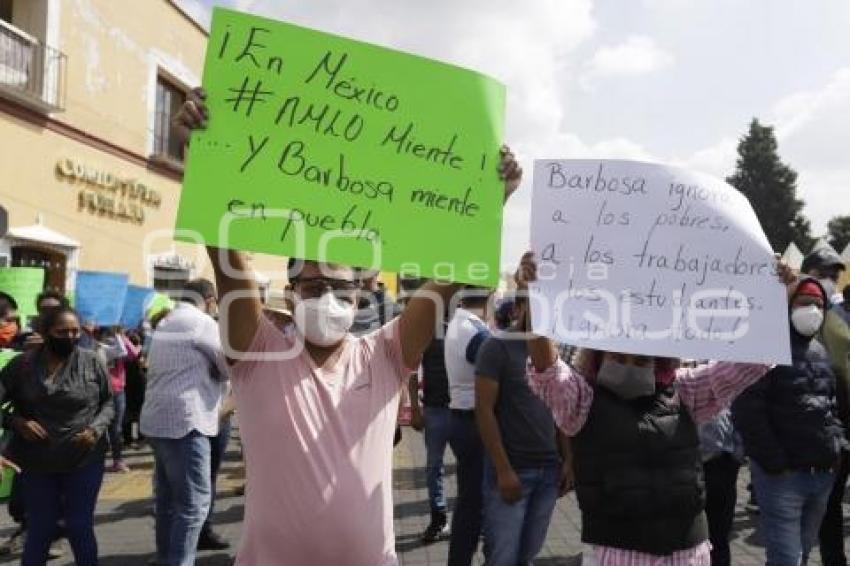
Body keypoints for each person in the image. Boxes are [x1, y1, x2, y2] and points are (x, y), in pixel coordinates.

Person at [173, 86, 521, 564]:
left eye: (340, 289)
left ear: (361, 295)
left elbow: (451, 277)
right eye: (312, 287)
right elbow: (225, 256)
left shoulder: (385, 354)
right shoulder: (257, 351)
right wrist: (203, 158)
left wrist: (490, 201)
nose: (327, 298)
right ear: (291, 292)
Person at [515, 252, 794, 565]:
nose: (630, 367)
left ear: (660, 362)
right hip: (618, 554)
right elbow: (548, 371)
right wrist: (533, 294)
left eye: (642, 360)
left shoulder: (686, 392)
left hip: (688, 554)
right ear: (598, 357)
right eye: (618, 358)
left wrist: (775, 294)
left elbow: (748, 362)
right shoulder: (582, 401)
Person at [733, 278, 845, 566]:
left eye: (819, 305)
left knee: (803, 554)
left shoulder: (821, 353)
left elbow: (830, 407)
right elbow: (748, 412)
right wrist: (775, 464)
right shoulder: (765, 350)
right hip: (783, 478)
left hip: (821, 474)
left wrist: (837, 448)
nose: (813, 311)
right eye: (805, 303)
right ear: (786, 307)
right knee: (787, 559)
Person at [0, 306, 114, 566]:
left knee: (79, 525)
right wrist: (15, 422)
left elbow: (108, 403)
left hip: (83, 459)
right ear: (45, 332)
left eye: (75, 331)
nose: (71, 337)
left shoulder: (91, 360)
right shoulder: (22, 365)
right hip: (36, 462)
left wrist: (95, 429)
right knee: (41, 528)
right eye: (62, 332)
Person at [475, 292, 571, 565]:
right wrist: (503, 470)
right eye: (534, 302)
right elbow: (483, 411)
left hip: (549, 473)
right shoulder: (496, 347)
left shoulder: (557, 351)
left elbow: (563, 409)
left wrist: (569, 460)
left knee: (528, 553)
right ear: (519, 307)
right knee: (502, 557)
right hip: (512, 473)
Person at [140, 278, 228, 566]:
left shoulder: (166, 321)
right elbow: (230, 365)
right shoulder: (202, 323)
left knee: (167, 500)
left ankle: (166, 557)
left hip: (158, 419)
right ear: (210, 298)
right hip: (186, 421)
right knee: (194, 504)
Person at [443, 289, 492, 565]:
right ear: (492, 294)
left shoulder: (465, 324)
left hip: (465, 420)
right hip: (472, 423)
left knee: (472, 503)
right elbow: (502, 366)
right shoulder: (473, 331)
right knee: (472, 505)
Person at [408, 331, 452, 543]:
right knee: (434, 467)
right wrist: (415, 409)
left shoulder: (465, 328)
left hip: (464, 411)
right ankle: (439, 518)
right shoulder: (426, 333)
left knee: (471, 467)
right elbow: (412, 372)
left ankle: (473, 518)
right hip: (434, 409)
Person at [698, 408, 744, 566]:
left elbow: (739, 419)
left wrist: (736, 458)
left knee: (720, 536)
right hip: (687, 468)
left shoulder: (723, 390)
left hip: (721, 467)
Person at [198, 382, 235, 551]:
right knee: (188, 485)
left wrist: (229, 405)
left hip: (221, 413)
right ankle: (172, 547)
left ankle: (204, 531)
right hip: (191, 417)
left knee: (210, 476)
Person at [95, 327, 138, 473]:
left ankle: (117, 460)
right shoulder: (99, 347)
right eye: (107, 334)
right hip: (101, 392)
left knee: (116, 428)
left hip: (118, 391)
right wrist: (117, 336)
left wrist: (121, 335)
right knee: (101, 428)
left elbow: (132, 353)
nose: (109, 337)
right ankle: (99, 461)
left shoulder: (117, 343)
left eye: (111, 334)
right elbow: (122, 351)